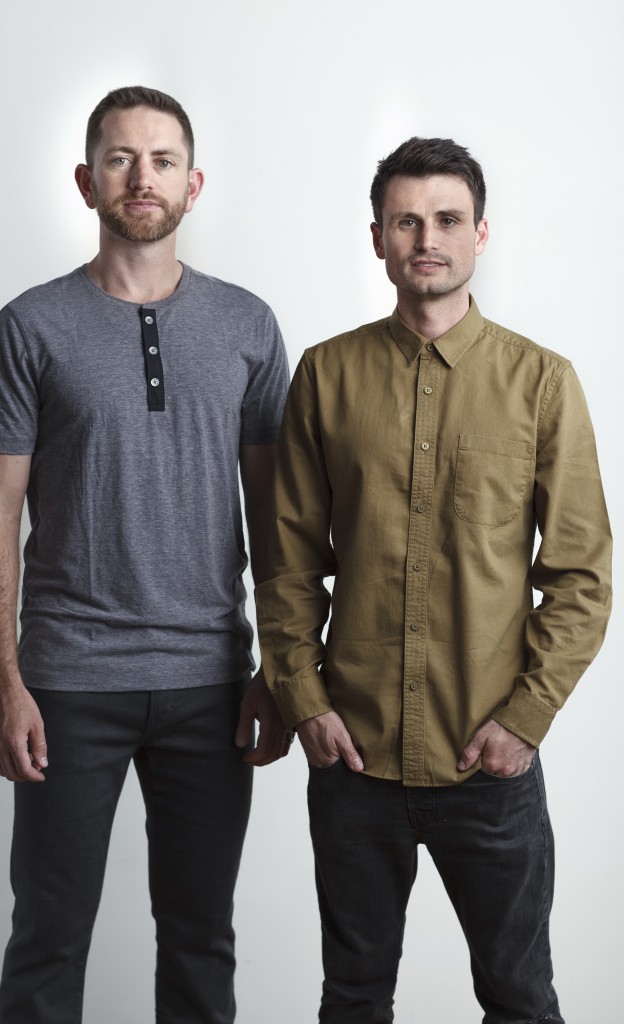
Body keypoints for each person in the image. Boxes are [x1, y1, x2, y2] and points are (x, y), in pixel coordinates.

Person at [255, 137, 612, 1023]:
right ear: (377, 237)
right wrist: (302, 697)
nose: (427, 239)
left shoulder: (542, 382)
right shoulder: (326, 376)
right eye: (406, 221)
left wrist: (525, 719)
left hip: (487, 762)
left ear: (480, 233)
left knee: (520, 998)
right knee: (353, 998)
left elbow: (581, 576)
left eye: (448, 219)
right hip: (353, 757)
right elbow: (288, 560)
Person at [0, 85, 291, 1024]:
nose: (141, 177)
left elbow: (276, 515)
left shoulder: (248, 325)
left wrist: (277, 669)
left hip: (213, 681)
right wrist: (5, 685)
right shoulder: (29, 327)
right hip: (68, 682)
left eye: (161, 160)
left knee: (201, 940)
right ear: (86, 181)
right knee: (47, 940)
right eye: (119, 158)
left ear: (194, 183)